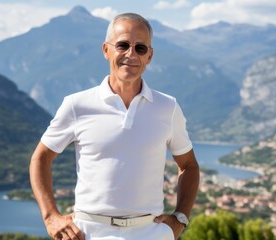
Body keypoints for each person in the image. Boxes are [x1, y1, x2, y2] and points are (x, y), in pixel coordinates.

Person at [29, 12, 200, 240]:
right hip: (88, 233)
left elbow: (188, 165)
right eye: (122, 45)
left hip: (150, 233)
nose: (131, 54)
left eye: (140, 48)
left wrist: (180, 218)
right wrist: (50, 216)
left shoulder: (167, 107)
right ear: (106, 50)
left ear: (149, 56)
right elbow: (40, 158)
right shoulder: (76, 105)